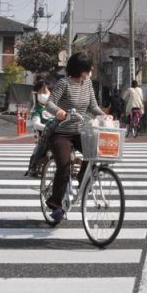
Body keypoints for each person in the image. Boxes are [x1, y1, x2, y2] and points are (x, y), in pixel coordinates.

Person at [43, 53, 105, 221]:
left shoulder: (88, 84)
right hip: (61, 132)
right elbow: (49, 103)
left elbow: (93, 106)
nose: (92, 69)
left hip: (80, 131)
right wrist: (59, 112)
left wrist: (104, 116)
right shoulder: (64, 83)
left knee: (95, 154)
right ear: (81, 69)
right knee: (64, 165)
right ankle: (55, 204)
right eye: (89, 67)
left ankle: (81, 179)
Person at [24, 79, 56, 177]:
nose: (42, 94)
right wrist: (49, 128)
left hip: (58, 133)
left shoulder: (55, 108)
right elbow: (36, 124)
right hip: (45, 135)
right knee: (42, 144)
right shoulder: (37, 109)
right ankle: (33, 165)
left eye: (45, 92)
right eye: (40, 92)